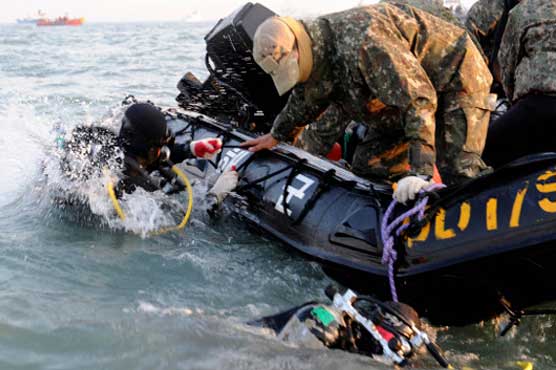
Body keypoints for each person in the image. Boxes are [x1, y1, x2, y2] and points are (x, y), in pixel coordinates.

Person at [241, 4, 495, 204]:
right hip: (395, 104)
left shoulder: (364, 42)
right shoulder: (319, 51)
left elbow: (418, 98)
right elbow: (307, 98)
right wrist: (278, 135)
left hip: (455, 79)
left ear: (297, 50)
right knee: (368, 169)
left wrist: (421, 172)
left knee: (461, 176)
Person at [62, 102, 239, 211]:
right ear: (152, 150)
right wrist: (215, 195)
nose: (164, 150)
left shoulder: (116, 146)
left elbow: (158, 159)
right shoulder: (140, 185)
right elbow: (186, 217)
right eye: (161, 145)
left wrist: (190, 149)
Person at [482, 0, 556, 167]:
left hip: (536, 106)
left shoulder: (524, 11)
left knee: (482, 154)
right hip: (535, 108)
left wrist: (513, 100)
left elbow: (506, 63)